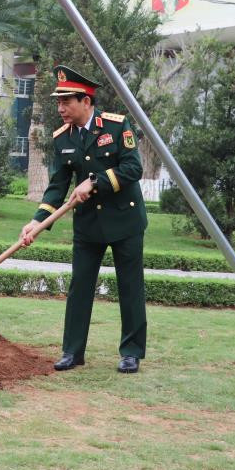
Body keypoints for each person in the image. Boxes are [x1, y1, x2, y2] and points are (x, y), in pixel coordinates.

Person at [19, 65, 147, 374]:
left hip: (125, 221)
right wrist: (38, 221)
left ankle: (131, 352)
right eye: (59, 102)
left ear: (86, 101)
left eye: (67, 102)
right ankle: (73, 352)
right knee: (79, 288)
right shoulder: (63, 138)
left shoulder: (116, 127)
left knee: (130, 288)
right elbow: (57, 187)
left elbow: (133, 169)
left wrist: (95, 182)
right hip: (88, 226)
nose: (61, 109)